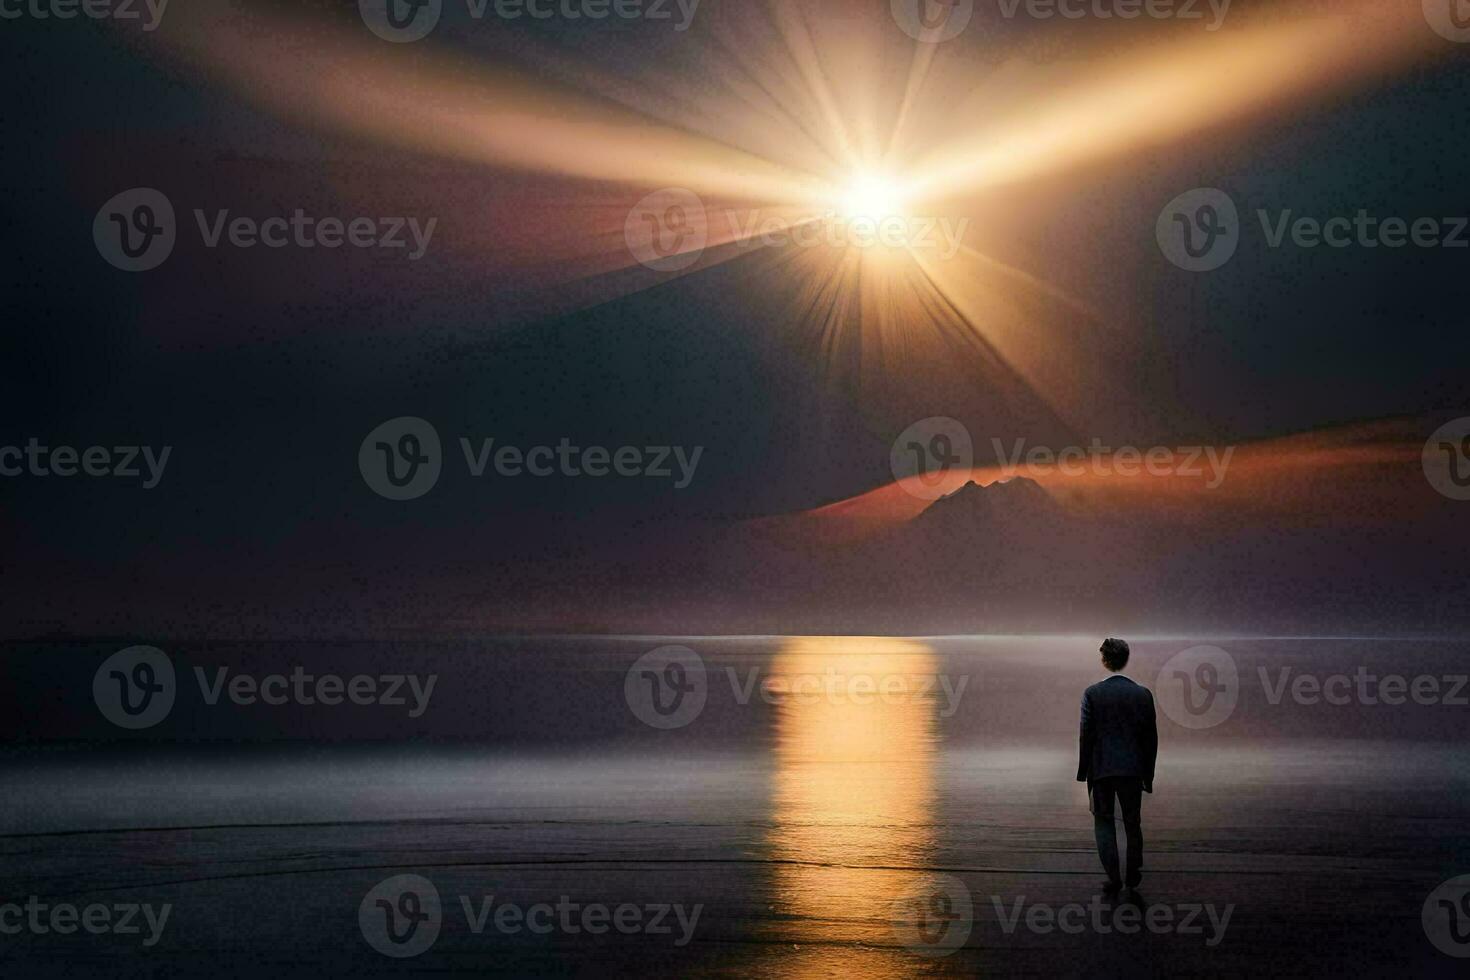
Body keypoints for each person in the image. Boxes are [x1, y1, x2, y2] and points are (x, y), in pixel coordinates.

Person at [1077, 638, 1158, 895]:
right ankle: (1133, 871)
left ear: (1104, 660)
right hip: (1133, 769)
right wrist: (1149, 773)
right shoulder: (1143, 694)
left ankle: (1113, 876)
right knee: (1133, 822)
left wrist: (1083, 771)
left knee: (1103, 822)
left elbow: (1086, 734)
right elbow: (1150, 738)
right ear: (1127, 658)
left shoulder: (1092, 693)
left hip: (1101, 769)